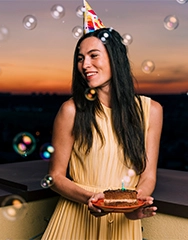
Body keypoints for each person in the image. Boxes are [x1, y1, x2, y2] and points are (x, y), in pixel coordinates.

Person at [42, 28, 163, 240]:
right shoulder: (71, 111)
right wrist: (92, 199)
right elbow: (55, 177)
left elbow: (148, 176)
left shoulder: (151, 111)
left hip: (123, 228)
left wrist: (135, 205)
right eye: (80, 58)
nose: (84, 65)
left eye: (93, 55)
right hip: (74, 221)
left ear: (115, 58)